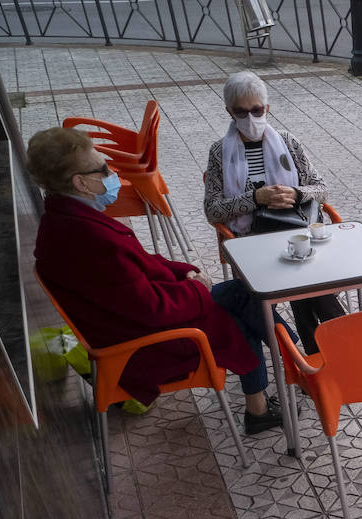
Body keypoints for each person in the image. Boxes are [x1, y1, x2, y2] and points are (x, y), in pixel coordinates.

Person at [29, 126, 287, 434]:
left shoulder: (66, 220)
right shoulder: (88, 238)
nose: (112, 174)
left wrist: (183, 271)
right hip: (145, 344)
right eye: (103, 169)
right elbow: (150, 309)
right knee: (241, 307)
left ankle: (284, 371)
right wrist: (194, 286)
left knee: (244, 296)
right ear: (81, 183)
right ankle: (291, 367)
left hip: (133, 325)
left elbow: (140, 265)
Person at [204, 70, 345, 355]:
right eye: (241, 112)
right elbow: (213, 211)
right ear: (230, 112)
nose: (250, 119)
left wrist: (296, 193)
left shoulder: (287, 142)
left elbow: (320, 188)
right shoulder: (220, 152)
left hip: (295, 231)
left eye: (256, 110)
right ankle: (343, 342)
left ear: (267, 108)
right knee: (304, 278)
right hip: (252, 241)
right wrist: (256, 198)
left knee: (300, 273)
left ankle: (316, 356)